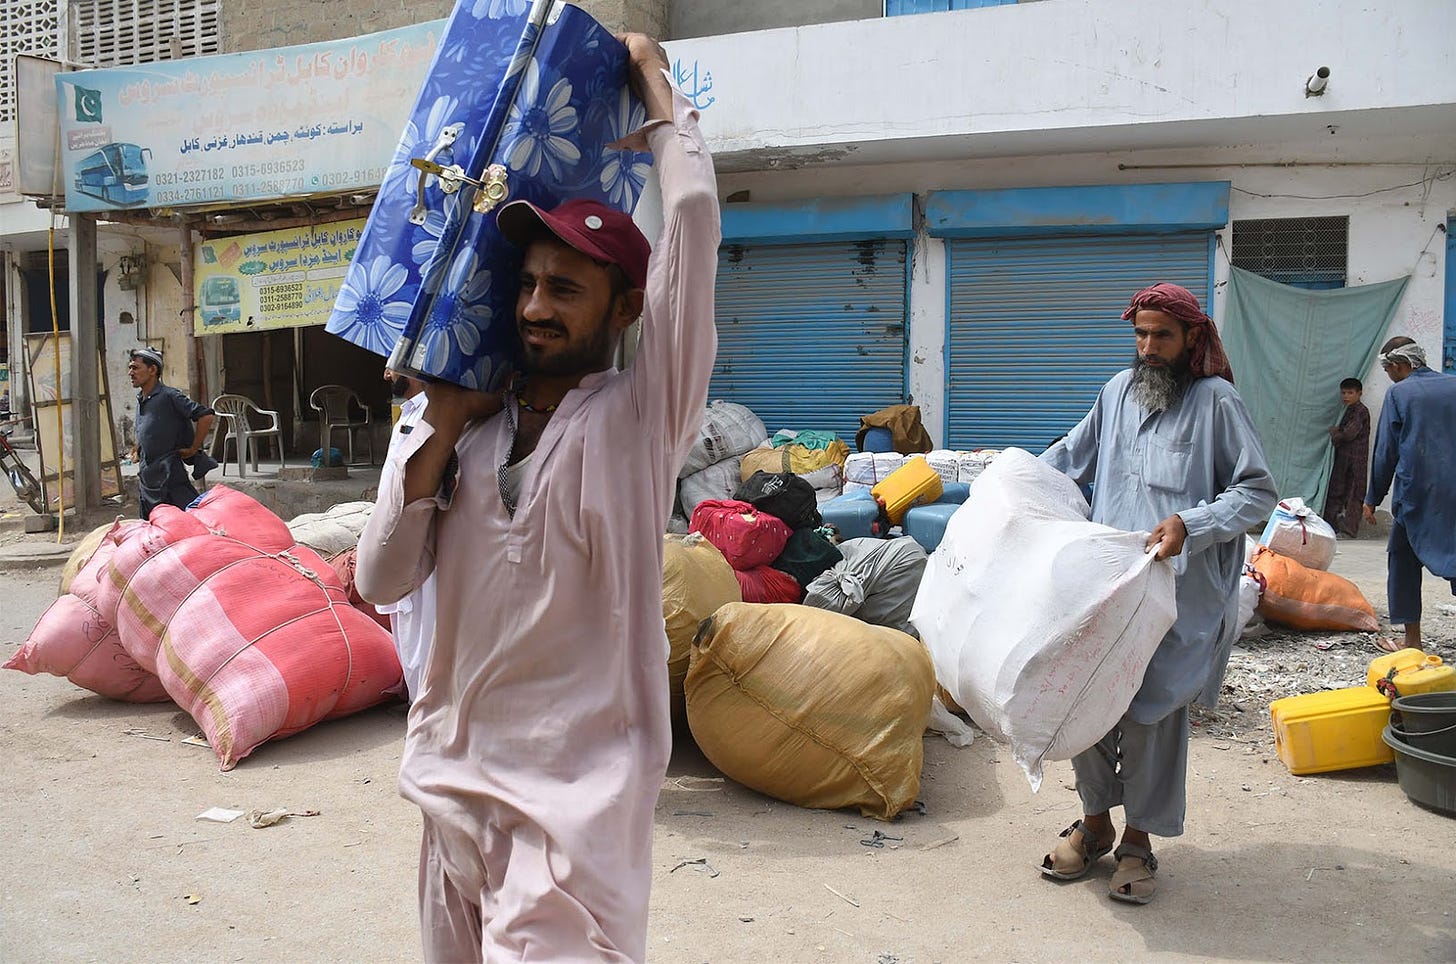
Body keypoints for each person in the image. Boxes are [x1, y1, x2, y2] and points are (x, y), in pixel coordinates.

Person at [355, 34, 719, 961]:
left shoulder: (640, 421)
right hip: (448, 787)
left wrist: (654, 92)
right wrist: (433, 428)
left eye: (565, 287)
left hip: (573, 810)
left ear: (626, 308)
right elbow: (382, 580)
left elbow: (695, 220)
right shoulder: (464, 433)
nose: (534, 308)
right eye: (524, 285)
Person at [1038, 282, 1276, 905]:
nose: (1147, 347)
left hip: (1182, 593)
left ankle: (1138, 842)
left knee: (1152, 716)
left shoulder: (1216, 402)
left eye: (1161, 335)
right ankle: (1094, 827)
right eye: (1140, 334)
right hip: (1110, 589)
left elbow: (1256, 492)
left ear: (1191, 338)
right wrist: (1012, 481)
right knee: (1087, 702)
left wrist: (1189, 525)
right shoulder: (1116, 392)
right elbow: (1070, 457)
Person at [1363, 337, 1456, 653]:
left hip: (1416, 490)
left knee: (1402, 559)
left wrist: (1372, 497)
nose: (1389, 375)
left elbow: (1386, 452)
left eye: (1388, 369)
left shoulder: (1399, 393)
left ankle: (1413, 640)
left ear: (1399, 366)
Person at [374, 368, 435, 702]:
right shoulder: (407, 415)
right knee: (405, 622)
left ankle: (426, 703)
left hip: (416, 539)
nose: (386, 374)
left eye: (393, 365)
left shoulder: (431, 414)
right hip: (393, 536)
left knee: (424, 624)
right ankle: (416, 699)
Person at [127, 347, 216, 520]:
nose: (130, 372)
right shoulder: (142, 399)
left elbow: (206, 416)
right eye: (130, 368)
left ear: (152, 370)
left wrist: (193, 448)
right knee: (153, 529)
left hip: (169, 477)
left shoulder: (169, 396)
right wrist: (139, 447)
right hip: (148, 477)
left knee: (189, 521)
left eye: (135, 368)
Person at [1323, 376, 1370, 538]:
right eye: (1343, 393)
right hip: (1344, 459)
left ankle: (1349, 531)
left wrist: (1335, 432)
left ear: (1360, 393)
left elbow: (1349, 434)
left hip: (1356, 461)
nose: (1346, 396)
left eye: (1350, 392)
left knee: (1354, 495)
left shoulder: (1360, 411)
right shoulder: (1349, 410)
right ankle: (1331, 527)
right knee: (1336, 492)